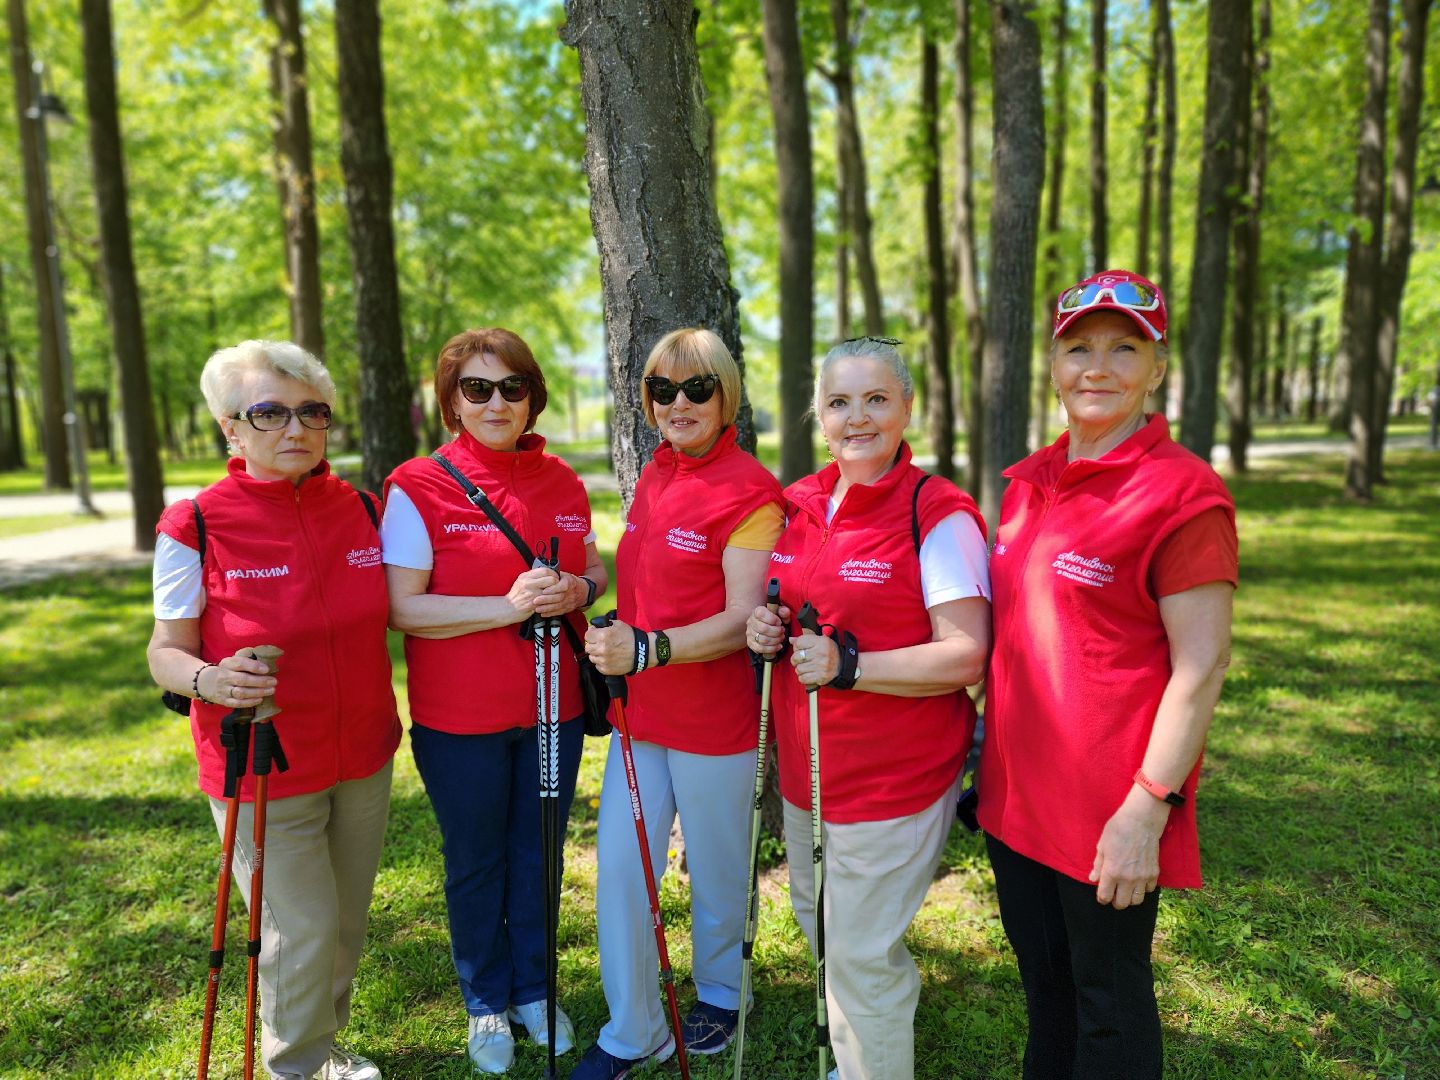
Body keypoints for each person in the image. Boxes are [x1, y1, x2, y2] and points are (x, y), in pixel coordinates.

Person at [979, 269, 1237, 1079]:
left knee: (1109, 1014)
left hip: (1108, 815)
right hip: (1015, 801)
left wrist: (1147, 810)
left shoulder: (1183, 495)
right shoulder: (1026, 484)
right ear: (1053, 364)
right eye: (1078, 348)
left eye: (1124, 348)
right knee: (1047, 998)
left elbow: (1203, 666)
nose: (1098, 367)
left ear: (1157, 366)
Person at [147, 340, 399, 1080]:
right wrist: (209, 679)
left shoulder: (361, 506)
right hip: (261, 763)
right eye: (269, 412)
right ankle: (295, 1066)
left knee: (345, 921)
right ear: (231, 428)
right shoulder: (194, 523)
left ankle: (325, 1045)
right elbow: (166, 650)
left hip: (364, 754)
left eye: (311, 412)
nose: (295, 428)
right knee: (301, 927)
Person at [745, 336, 992, 1080]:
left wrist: (852, 666)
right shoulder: (799, 504)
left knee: (859, 956)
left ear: (907, 407)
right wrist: (769, 627)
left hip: (892, 782)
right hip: (808, 779)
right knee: (824, 936)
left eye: (877, 399)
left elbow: (967, 656)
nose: (859, 418)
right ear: (818, 414)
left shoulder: (937, 513)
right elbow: (791, 604)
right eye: (840, 402)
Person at [382, 328, 605, 1075]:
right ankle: (485, 1002)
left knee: (537, 853)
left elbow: (592, 569)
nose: (496, 402)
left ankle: (536, 989)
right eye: (476, 389)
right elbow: (405, 609)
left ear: (532, 395)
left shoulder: (565, 482)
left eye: (511, 387)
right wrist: (508, 606)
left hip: (554, 707)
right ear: (450, 401)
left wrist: (579, 590)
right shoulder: (419, 484)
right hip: (461, 719)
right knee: (476, 860)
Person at [573, 328, 784, 1080]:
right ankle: (634, 1029)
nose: (680, 404)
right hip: (641, 717)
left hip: (714, 721)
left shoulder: (751, 490)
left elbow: (740, 615)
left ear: (727, 395)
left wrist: (651, 647)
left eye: (698, 388)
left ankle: (724, 993)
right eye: (663, 390)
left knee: (721, 872)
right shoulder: (655, 476)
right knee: (623, 872)